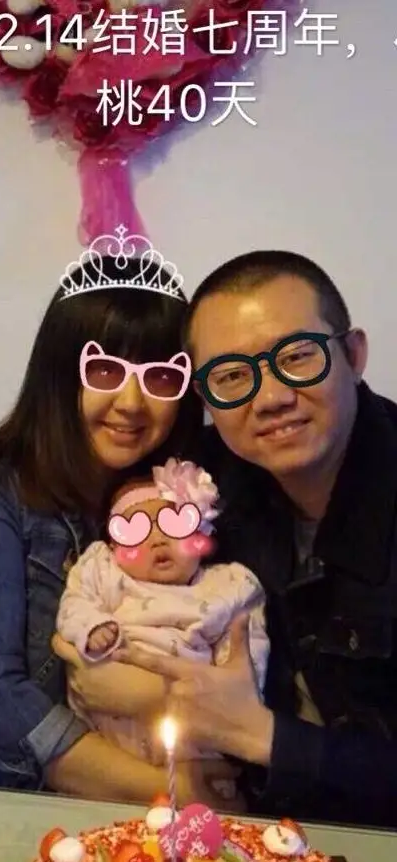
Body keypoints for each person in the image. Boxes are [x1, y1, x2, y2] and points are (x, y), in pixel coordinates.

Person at [0, 235, 239, 806]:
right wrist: (171, 792)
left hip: (141, 803)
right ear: (59, 374)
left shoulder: (190, 492)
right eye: (104, 370)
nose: (131, 402)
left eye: (161, 377)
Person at [110, 250, 397, 828]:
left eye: (297, 356)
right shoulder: (208, 479)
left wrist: (261, 735)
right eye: (232, 376)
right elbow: (102, 498)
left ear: (354, 355)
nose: (270, 398)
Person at [56, 457, 269, 766]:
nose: (157, 540)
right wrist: (92, 626)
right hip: (108, 735)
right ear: (114, 547)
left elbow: (247, 651)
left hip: (195, 736)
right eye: (136, 530)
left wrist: (233, 694)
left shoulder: (227, 585)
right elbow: (74, 603)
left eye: (174, 525)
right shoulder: (104, 569)